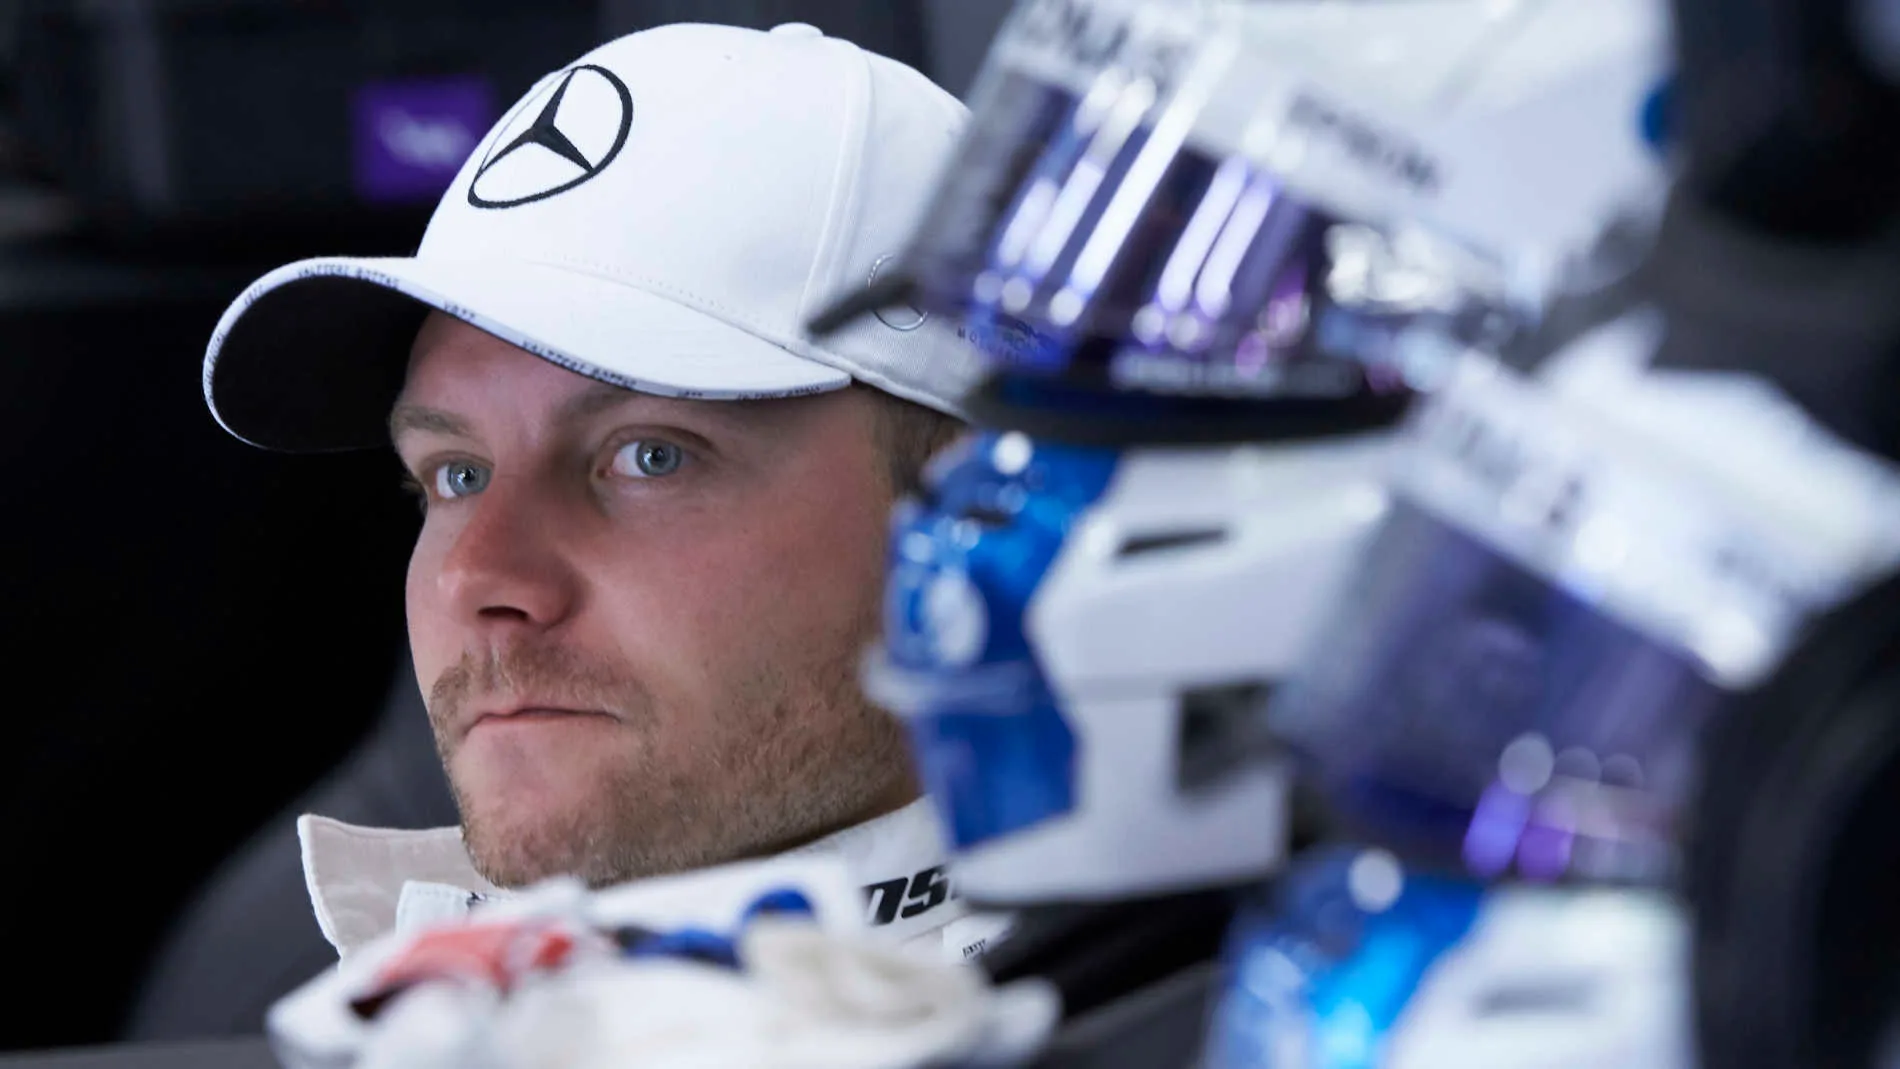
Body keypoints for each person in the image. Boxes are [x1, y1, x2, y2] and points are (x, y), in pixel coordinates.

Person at [197, 21, 995, 961]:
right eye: (456, 474)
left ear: (974, 514)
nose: (475, 577)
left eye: (650, 456)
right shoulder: (390, 1005)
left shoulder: (1121, 1005)